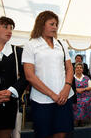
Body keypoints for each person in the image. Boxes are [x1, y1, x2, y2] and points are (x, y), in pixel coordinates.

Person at [22, 10, 74, 138]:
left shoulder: (61, 44)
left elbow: (69, 68)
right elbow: (29, 75)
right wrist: (52, 95)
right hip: (41, 100)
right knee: (44, 134)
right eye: (51, 24)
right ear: (41, 25)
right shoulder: (31, 45)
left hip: (64, 97)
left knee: (61, 134)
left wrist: (67, 88)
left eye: (56, 24)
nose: (55, 27)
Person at [73, 62, 91, 126]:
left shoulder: (86, 78)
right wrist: (76, 89)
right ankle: (77, 120)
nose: (79, 69)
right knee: (77, 102)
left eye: (80, 68)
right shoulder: (72, 78)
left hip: (85, 97)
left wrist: (83, 89)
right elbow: (69, 87)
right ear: (74, 69)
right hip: (75, 97)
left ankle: (80, 121)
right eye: (77, 68)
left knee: (84, 101)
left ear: (82, 69)